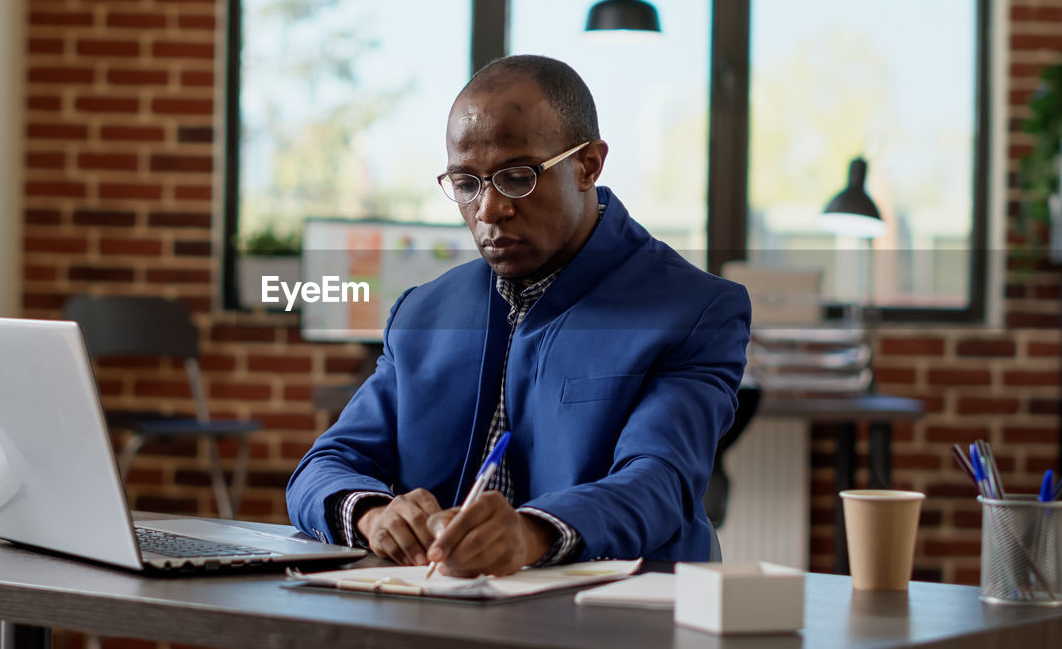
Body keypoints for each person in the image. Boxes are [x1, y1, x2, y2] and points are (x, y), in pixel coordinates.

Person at [287, 54, 751, 578]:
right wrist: (373, 516)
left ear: (589, 165)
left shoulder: (694, 310)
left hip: (616, 612)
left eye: (516, 177)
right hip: (441, 608)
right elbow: (322, 468)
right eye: (466, 183)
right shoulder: (422, 313)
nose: (488, 210)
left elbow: (659, 481)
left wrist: (531, 532)